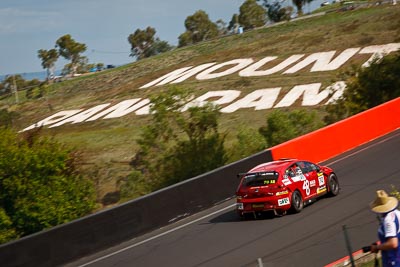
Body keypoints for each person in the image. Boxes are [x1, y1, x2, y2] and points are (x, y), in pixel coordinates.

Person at [369, 190, 400, 267]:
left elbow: (393, 243)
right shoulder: (397, 213)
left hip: (393, 260)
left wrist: (377, 247)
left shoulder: (388, 220)